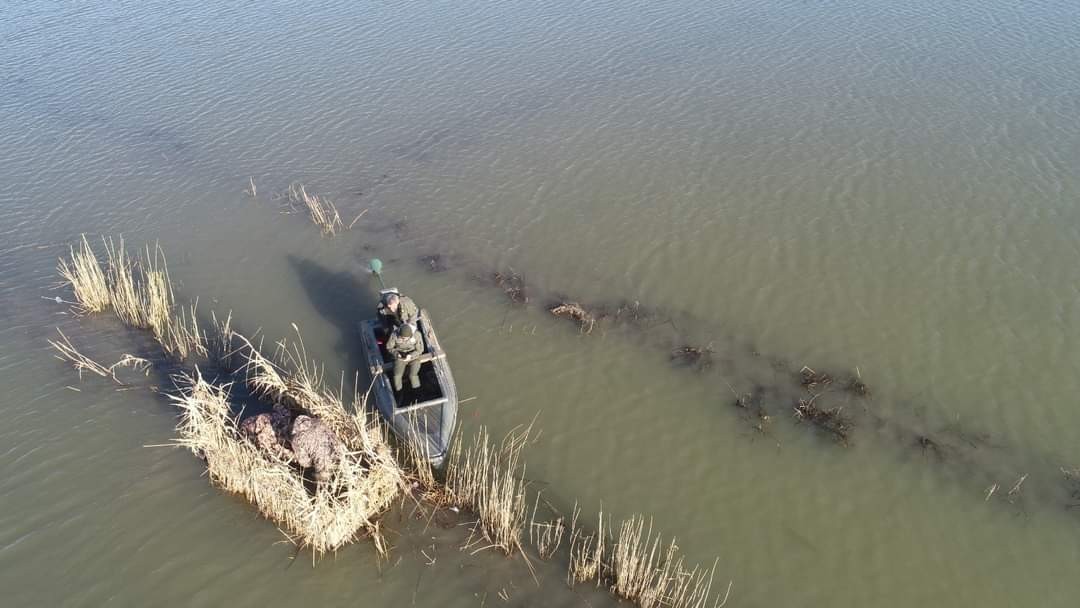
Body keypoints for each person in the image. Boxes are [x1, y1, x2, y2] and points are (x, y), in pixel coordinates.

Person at [387, 322, 424, 392]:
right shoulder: (394, 335)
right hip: (400, 355)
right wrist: (396, 353)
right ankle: (399, 391)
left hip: (413, 356)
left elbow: (420, 350)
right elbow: (389, 347)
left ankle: (417, 391)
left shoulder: (417, 335)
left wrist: (411, 356)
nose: (403, 340)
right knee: (397, 375)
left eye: (405, 338)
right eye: (402, 338)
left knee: (413, 375)